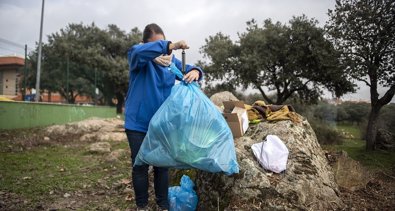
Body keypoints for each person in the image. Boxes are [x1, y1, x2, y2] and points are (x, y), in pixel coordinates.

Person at [124, 23, 203, 211]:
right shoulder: (137, 56)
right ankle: (141, 206)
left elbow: (191, 69)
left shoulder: (170, 62)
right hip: (138, 125)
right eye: (156, 45)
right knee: (140, 166)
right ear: (144, 44)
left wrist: (196, 72)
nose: (163, 50)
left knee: (162, 166)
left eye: (164, 44)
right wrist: (170, 45)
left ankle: (163, 206)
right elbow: (141, 52)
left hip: (162, 124)